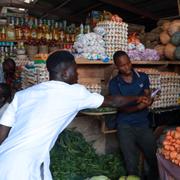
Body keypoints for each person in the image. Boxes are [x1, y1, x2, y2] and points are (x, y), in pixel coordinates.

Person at [0, 50, 150, 180]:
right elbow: (113, 101)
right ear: (65, 73)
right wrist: (137, 98)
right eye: (75, 69)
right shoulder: (73, 92)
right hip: (24, 168)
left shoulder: (22, 95)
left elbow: (2, 134)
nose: (77, 73)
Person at [108, 51, 158, 180]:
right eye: (122, 65)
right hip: (125, 126)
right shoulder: (114, 83)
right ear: (116, 66)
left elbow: (147, 94)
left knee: (153, 157)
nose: (127, 67)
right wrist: (140, 106)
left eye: (128, 63)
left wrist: (150, 99)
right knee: (131, 163)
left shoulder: (142, 77)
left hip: (143, 124)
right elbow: (123, 108)